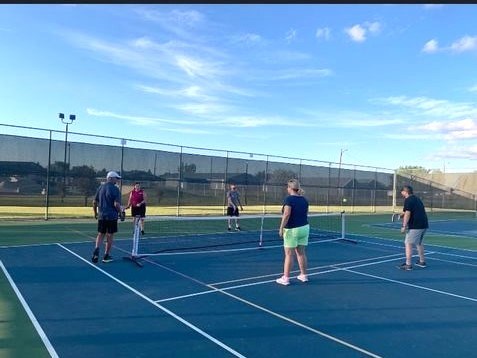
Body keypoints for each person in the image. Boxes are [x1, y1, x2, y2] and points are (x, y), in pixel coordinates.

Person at [276, 179, 310, 286]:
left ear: (290, 188)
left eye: (287, 187)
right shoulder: (304, 200)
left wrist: (281, 228)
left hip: (292, 230)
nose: (287, 189)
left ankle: (285, 278)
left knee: (289, 254)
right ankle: (303, 275)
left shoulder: (289, 199)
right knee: (301, 253)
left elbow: (286, 214)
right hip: (304, 228)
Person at [92, 171, 124, 263]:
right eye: (116, 178)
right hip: (112, 216)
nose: (117, 180)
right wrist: (121, 213)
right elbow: (116, 204)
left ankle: (97, 249)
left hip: (101, 215)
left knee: (100, 234)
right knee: (110, 235)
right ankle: (106, 256)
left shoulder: (100, 187)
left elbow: (94, 202)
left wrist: (95, 213)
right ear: (110, 178)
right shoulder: (115, 189)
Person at [397, 185, 429, 271]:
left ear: (405, 192)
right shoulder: (416, 198)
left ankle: (408, 264)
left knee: (408, 243)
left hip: (416, 226)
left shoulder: (408, 200)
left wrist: (404, 226)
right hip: (424, 224)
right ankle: (422, 261)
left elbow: (408, 213)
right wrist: (402, 215)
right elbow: (410, 211)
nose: (401, 193)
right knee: (419, 243)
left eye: (402, 192)